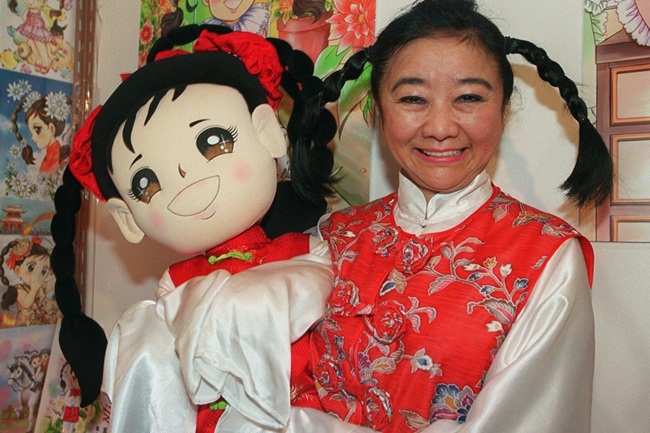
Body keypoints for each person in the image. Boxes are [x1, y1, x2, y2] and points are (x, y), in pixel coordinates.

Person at [290, 0, 614, 432]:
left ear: (504, 109)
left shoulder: (546, 256)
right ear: (379, 111)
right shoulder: (333, 236)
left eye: (469, 98)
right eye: (413, 98)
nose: (440, 127)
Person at [49, 24, 370, 433]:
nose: (184, 175)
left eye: (213, 141)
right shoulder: (174, 288)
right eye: (146, 183)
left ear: (268, 135)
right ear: (127, 218)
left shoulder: (311, 252)